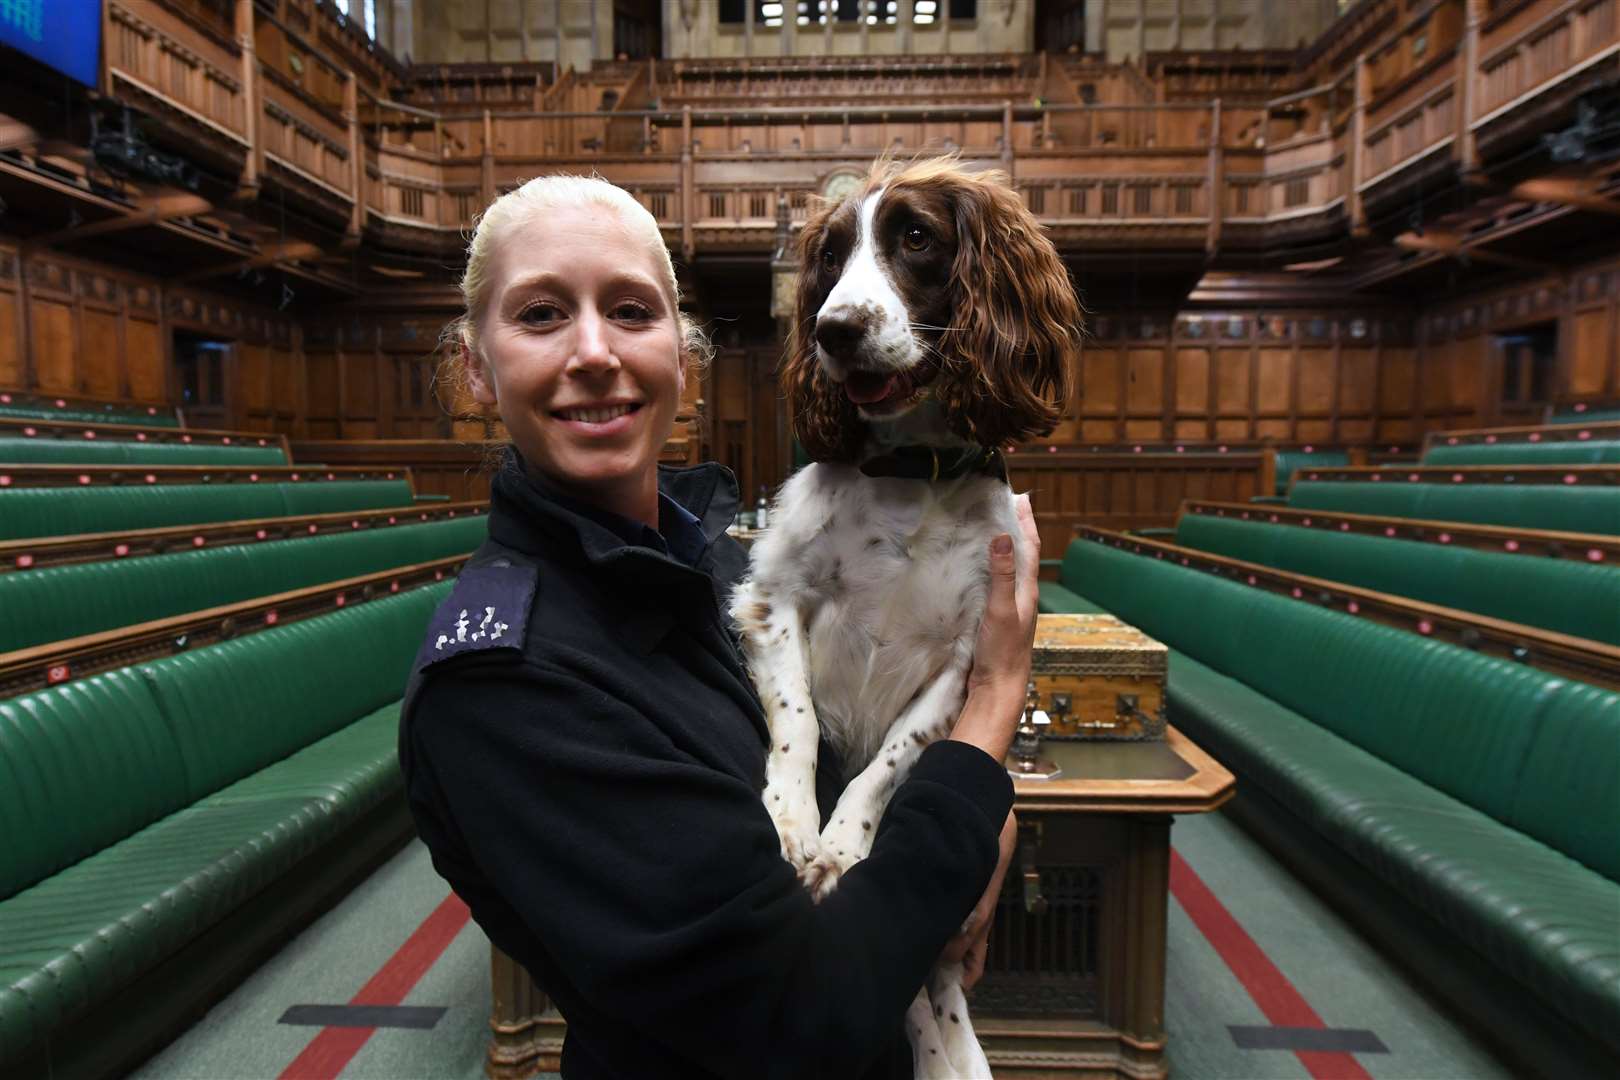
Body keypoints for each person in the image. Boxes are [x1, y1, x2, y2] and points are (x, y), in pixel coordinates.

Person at [398, 174, 1041, 1079]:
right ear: (476, 365)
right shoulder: (506, 685)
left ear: (683, 354)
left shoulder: (712, 565)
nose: (593, 351)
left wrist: (981, 821)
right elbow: (796, 1022)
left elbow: (851, 774)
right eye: (541, 315)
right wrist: (989, 717)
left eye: (630, 310)